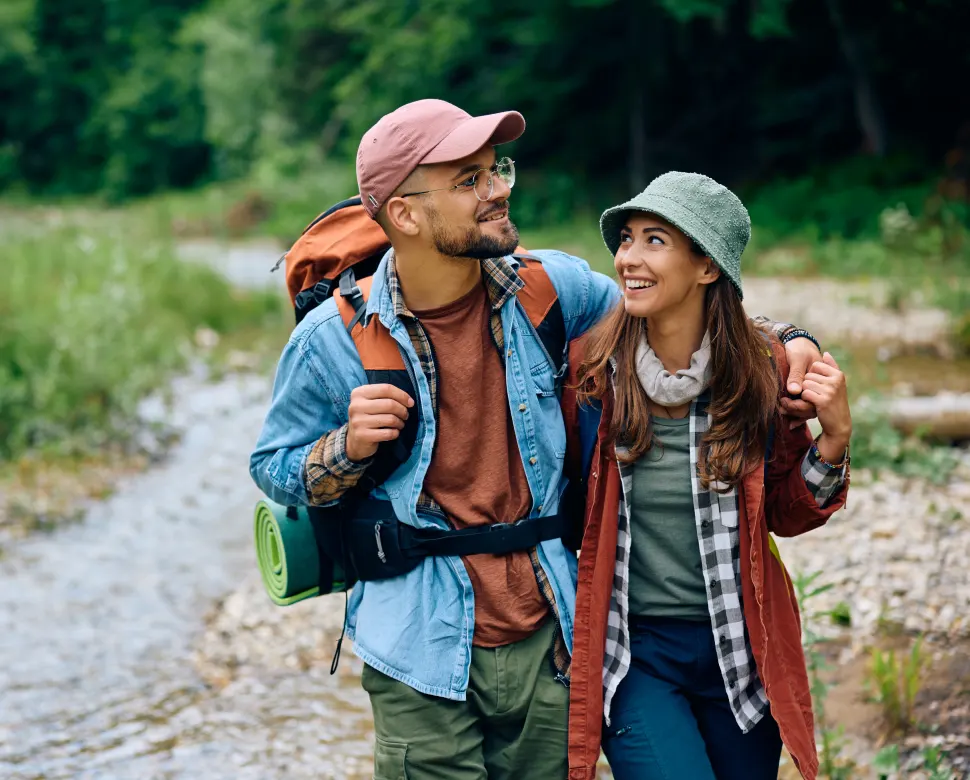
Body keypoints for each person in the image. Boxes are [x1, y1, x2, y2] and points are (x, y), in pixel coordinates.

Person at [249, 100, 825, 780]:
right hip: (416, 645)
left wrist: (785, 339)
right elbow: (274, 468)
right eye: (469, 180)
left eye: (497, 171)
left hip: (549, 633)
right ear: (404, 214)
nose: (498, 189)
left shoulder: (553, 289)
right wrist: (347, 445)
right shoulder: (332, 340)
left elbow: (675, 310)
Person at [562, 172, 852, 780]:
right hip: (634, 653)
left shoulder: (761, 371)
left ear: (707, 267)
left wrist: (834, 442)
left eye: (655, 241)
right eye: (627, 239)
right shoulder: (592, 370)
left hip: (740, 652)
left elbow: (786, 513)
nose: (628, 258)